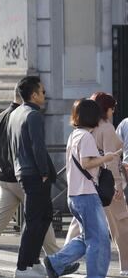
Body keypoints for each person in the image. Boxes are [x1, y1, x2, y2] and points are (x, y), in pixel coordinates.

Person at [0, 87, 68, 277]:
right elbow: (28, 148)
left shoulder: (0, 117)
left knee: (0, 219)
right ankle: (56, 259)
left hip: (4, 176)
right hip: (21, 176)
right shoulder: (23, 116)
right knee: (39, 217)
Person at [43, 99, 120, 278]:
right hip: (87, 195)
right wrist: (107, 158)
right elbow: (86, 163)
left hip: (75, 195)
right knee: (99, 240)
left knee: (88, 237)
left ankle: (55, 262)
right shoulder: (86, 137)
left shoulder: (74, 135)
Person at [66, 92, 128, 275]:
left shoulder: (81, 131)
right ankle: (125, 265)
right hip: (106, 185)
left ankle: (63, 260)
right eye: (112, 108)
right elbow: (111, 161)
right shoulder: (106, 128)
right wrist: (118, 185)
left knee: (78, 226)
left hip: (85, 185)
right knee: (120, 225)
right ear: (105, 109)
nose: (113, 112)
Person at [9, 76, 56, 277]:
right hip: (35, 173)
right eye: (43, 91)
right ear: (34, 95)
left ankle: (33, 261)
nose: (45, 94)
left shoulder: (15, 114)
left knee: (44, 216)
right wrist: (44, 172)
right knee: (34, 220)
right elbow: (38, 146)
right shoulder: (33, 115)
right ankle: (23, 267)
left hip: (23, 171)